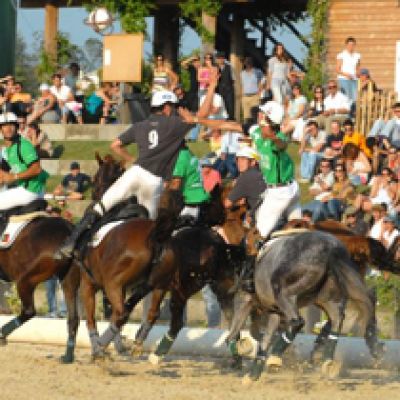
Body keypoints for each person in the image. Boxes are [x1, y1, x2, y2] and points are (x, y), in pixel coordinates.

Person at [54, 83, 217, 260]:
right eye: (174, 107)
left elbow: (115, 145)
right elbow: (202, 115)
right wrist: (212, 86)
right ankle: (152, 268)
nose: (176, 111)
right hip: (153, 181)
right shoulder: (174, 124)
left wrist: (130, 159)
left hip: (135, 172)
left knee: (100, 206)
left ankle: (71, 243)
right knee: (150, 229)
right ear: (167, 107)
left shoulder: (140, 125)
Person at [0, 112, 48, 212]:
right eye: (4, 126)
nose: (8, 129)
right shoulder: (9, 148)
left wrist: (14, 177)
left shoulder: (24, 145)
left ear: (17, 127)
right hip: (30, 189)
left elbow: (36, 169)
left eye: (11, 125)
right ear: (0, 129)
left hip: (29, 191)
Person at [224, 146, 266, 220]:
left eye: (243, 159)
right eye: (238, 160)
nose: (239, 163)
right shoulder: (263, 172)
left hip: (261, 217)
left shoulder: (245, 178)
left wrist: (237, 203)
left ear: (253, 162)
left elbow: (227, 204)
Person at [336, 37, 361, 104]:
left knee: (354, 98)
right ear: (346, 45)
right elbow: (337, 69)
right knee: (345, 97)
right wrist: (346, 74)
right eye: (349, 45)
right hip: (344, 79)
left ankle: (353, 112)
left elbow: (357, 68)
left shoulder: (357, 56)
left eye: (352, 45)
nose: (351, 47)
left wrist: (358, 74)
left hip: (354, 79)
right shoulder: (341, 55)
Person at [240, 57, 263, 121]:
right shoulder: (242, 73)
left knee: (255, 116)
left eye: (249, 62)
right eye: (246, 62)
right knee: (246, 117)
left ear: (252, 63)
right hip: (245, 97)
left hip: (255, 96)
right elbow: (242, 85)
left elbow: (262, 82)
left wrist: (259, 93)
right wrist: (242, 96)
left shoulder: (258, 71)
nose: (248, 63)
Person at [215, 51, 235, 120]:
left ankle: (230, 120)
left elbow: (233, 79)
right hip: (219, 90)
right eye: (219, 58)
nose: (220, 59)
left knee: (230, 107)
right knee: (220, 106)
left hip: (229, 90)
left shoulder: (229, 67)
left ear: (224, 59)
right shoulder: (215, 68)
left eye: (222, 58)